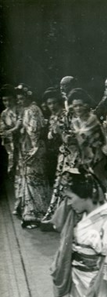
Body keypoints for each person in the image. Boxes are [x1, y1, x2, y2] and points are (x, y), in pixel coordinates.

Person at [14, 84, 51, 229]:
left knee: (35, 179)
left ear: (28, 98)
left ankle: (37, 213)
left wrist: (33, 149)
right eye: (18, 99)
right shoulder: (28, 110)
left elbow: (34, 131)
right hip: (29, 147)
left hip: (35, 148)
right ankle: (31, 213)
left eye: (22, 99)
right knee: (30, 179)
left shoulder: (33, 110)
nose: (19, 101)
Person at [41, 88, 70, 225]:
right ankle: (58, 213)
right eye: (49, 104)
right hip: (59, 153)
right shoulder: (52, 117)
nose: (52, 106)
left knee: (66, 182)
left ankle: (65, 215)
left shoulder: (66, 115)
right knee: (58, 183)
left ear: (59, 102)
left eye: (54, 103)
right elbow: (50, 136)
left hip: (70, 153)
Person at [0, 84, 21, 176]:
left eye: (9, 100)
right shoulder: (4, 114)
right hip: (12, 144)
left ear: (14, 99)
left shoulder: (21, 109)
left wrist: (11, 131)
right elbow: (3, 131)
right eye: (4, 100)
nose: (7, 103)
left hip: (24, 141)